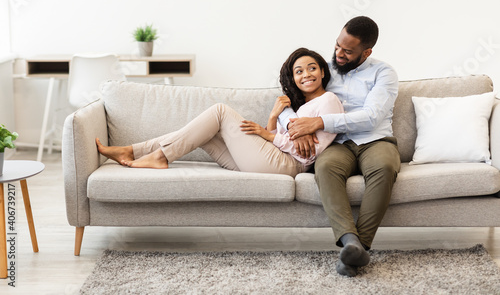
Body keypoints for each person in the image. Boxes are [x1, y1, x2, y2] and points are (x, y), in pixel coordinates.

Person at [96, 47, 343, 179]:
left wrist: (267, 136)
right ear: (293, 78)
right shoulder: (296, 107)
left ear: (323, 71)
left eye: (312, 68)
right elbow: (283, 140)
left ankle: (157, 156)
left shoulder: (329, 100)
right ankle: (135, 151)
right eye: (299, 71)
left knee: (220, 112)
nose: (306, 74)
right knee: (203, 135)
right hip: (270, 160)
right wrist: (271, 118)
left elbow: (309, 155)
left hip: (289, 166)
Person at [278, 16, 401, 277]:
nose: (339, 54)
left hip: (374, 139)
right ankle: (351, 243)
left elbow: (371, 117)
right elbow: (286, 97)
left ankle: (358, 247)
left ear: (366, 52)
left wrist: (319, 121)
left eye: (348, 51)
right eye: (337, 46)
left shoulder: (384, 73)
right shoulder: (325, 69)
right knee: (324, 168)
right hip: (337, 143)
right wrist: (294, 125)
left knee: (385, 167)